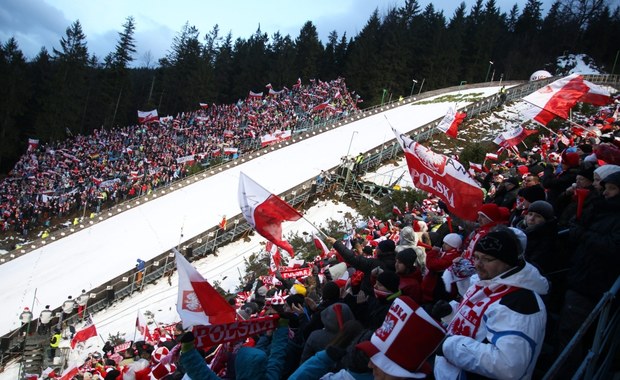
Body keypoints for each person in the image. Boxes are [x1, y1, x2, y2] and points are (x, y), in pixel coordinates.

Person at [434, 228, 548, 379]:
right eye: (476, 257)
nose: (478, 265)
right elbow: (479, 321)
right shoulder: (488, 280)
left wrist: (449, 346)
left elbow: (508, 366)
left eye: (487, 259)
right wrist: (450, 312)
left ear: (508, 262)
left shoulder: (521, 301)